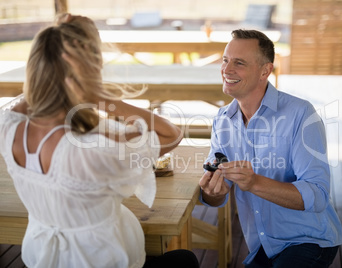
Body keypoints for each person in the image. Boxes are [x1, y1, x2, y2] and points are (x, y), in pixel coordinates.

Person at [0, 14, 199, 268]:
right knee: (184, 260)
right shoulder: (91, 152)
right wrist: (97, 94)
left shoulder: (8, 130)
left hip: (40, 259)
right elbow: (171, 133)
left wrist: (53, 46)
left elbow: (22, 102)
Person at [199, 29, 342, 268]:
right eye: (225, 60)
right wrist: (213, 192)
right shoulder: (223, 120)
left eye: (239, 62)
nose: (227, 69)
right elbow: (215, 199)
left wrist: (253, 182)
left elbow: (318, 195)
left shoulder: (300, 114)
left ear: (265, 71)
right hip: (262, 247)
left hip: (309, 241)